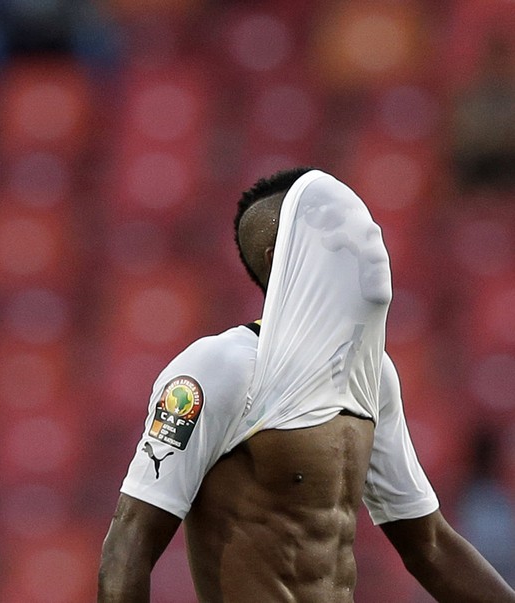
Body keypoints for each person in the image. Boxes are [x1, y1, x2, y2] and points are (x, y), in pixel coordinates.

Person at [97, 167, 515, 602]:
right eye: (340, 233)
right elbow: (129, 544)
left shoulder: (372, 375)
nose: (369, 244)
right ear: (282, 258)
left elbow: (430, 547)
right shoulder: (220, 368)